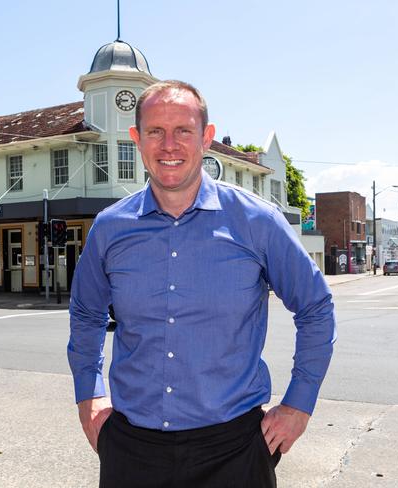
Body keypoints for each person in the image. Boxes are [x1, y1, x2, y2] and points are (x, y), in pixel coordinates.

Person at [68, 80, 336, 488]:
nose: (169, 145)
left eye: (183, 131)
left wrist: (299, 404)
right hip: (131, 448)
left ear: (206, 138)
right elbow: (86, 314)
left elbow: (315, 307)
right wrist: (89, 396)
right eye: (155, 131)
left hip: (235, 450)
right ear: (137, 139)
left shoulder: (257, 222)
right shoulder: (109, 228)